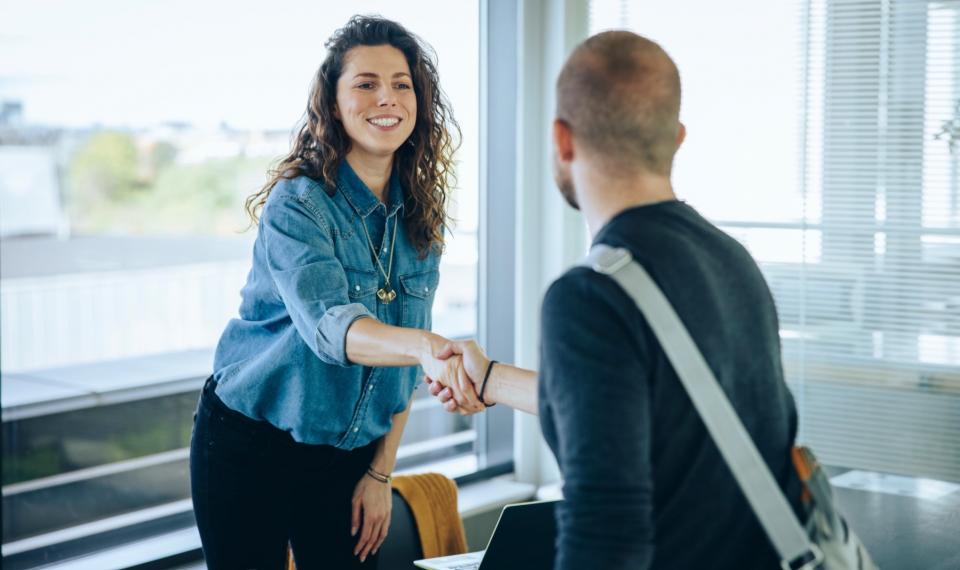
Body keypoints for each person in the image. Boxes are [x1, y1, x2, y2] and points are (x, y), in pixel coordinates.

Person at [427, 31, 804, 569]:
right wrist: (489, 379)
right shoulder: (733, 262)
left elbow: (605, 534)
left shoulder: (589, 296)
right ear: (676, 138)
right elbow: (651, 406)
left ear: (562, 139)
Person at [189, 15, 467, 569]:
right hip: (249, 444)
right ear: (334, 103)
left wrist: (379, 471)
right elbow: (329, 327)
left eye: (401, 83)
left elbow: (400, 369)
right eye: (365, 83)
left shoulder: (420, 220)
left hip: (348, 455)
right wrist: (426, 347)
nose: (386, 97)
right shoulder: (299, 203)